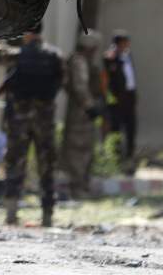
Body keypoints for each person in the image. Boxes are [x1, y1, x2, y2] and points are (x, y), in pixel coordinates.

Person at [1, 22, 63, 226]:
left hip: (20, 121)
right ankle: (47, 215)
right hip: (44, 120)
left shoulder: (17, 54)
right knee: (46, 167)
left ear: (26, 33)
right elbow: (62, 81)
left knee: (15, 163)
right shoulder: (55, 56)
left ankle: (11, 213)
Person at [60, 30, 103, 199]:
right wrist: (90, 106)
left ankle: (82, 186)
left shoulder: (81, 60)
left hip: (82, 112)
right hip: (81, 114)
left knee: (84, 150)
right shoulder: (79, 61)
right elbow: (80, 86)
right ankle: (77, 188)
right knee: (78, 150)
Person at [102, 30, 138, 169]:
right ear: (118, 44)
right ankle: (115, 159)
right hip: (117, 99)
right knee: (115, 128)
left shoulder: (128, 56)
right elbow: (107, 80)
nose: (127, 45)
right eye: (124, 43)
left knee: (131, 128)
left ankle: (129, 158)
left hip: (129, 97)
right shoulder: (110, 57)